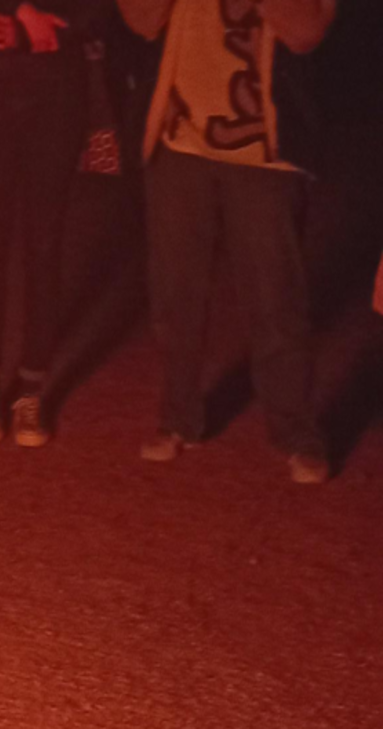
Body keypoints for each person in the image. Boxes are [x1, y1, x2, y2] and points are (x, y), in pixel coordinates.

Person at [117, 0, 335, 484]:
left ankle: (296, 433)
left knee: (276, 299)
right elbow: (139, 20)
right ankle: (178, 419)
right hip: (180, 142)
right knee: (175, 295)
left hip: (265, 155)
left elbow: (307, 33)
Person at [0, 0, 105, 447]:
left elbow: (98, 12)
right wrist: (9, 18)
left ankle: (32, 387)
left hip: (55, 99)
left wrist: (50, 25)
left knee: (44, 245)